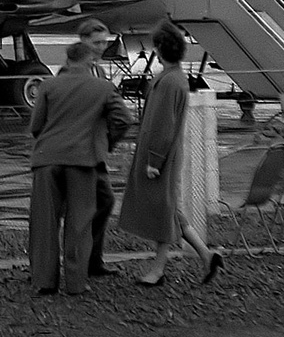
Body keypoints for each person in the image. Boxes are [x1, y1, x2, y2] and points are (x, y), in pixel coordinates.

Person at [118, 20, 224, 286]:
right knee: (169, 209)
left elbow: (163, 124)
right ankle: (206, 255)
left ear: (159, 49)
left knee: (162, 211)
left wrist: (154, 160)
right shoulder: (175, 79)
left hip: (159, 157)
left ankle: (158, 269)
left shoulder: (168, 82)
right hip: (164, 154)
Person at [27, 41, 136, 296]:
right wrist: (106, 142)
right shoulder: (103, 87)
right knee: (79, 223)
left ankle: (44, 281)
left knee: (44, 223)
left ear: (67, 60)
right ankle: (76, 282)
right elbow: (124, 119)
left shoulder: (48, 85)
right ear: (90, 62)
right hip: (83, 160)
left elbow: (35, 125)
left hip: (47, 159)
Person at [75, 17, 125, 277]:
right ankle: (84, 262)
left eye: (104, 43)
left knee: (103, 202)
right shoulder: (74, 71)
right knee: (97, 203)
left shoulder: (100, 72)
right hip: (81, 152)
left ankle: (92, 259)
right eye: (96, 43)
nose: (100, 48)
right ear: (82, 41)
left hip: (96, 150)